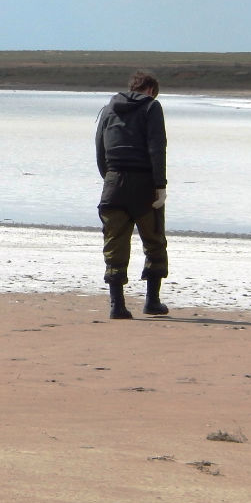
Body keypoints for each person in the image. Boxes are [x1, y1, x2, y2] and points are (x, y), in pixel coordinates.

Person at [95, 70, 168, 319]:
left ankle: (117, 305)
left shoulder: (108, 109)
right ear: (150, 90)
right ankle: (152, 302)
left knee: (114, 244)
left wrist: (109, 176)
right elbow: (157, 148)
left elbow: (100, 147)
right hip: (144, 184)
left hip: (113, 183)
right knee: (155, 241)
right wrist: (161, 185)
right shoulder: (152, 108)